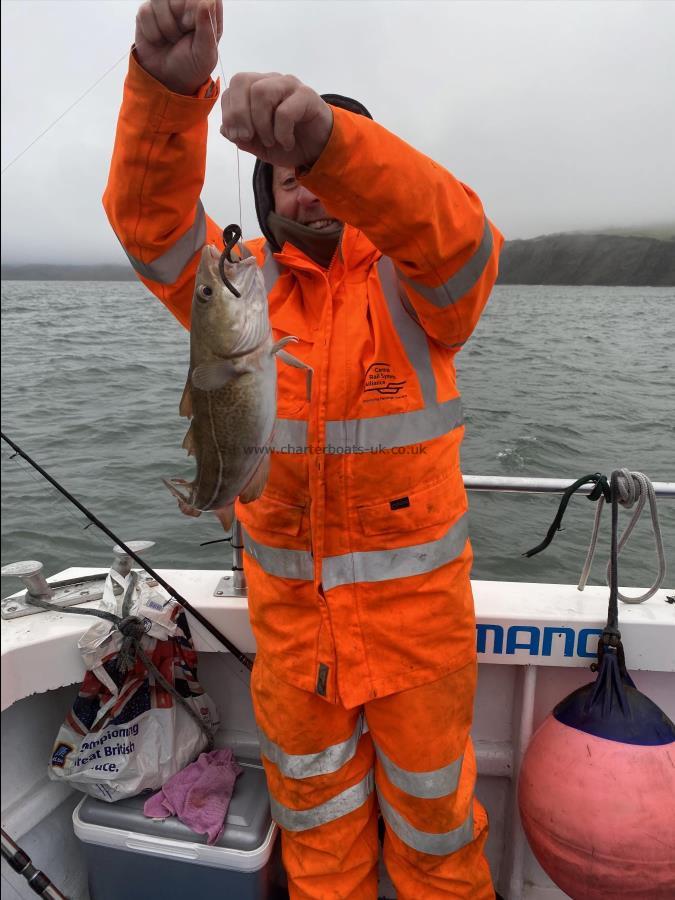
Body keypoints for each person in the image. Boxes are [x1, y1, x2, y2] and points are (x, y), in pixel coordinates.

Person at [104, 1, 504, 896]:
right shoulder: (236, 291)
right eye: (284, 175)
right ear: (264, 199)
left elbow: (458, 237)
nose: (305, 187)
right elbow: (151, 226)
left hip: (418, 648)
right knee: (318, 844)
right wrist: (169, 96)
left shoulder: (419, 284)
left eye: (320, 171)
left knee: (439, 841)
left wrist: (333, 142)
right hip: (295, 646)